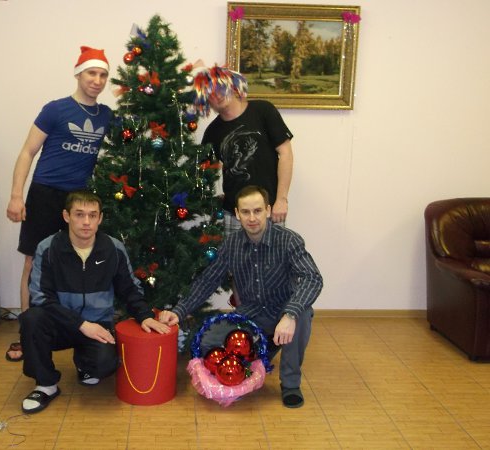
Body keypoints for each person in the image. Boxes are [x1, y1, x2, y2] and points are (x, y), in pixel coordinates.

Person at [159, 185, 322, 408]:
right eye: (245, 212)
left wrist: (290, 314)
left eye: (257, 211)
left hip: (283, 309)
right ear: (237, 214)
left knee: (302, 315)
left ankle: (290, 383)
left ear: (267, 210)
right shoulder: (232, 244)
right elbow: (208, 280)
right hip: (250, 313)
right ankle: (266, 347)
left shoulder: (289, 240)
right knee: (208, 342)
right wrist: (179, 311)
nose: (252, 218)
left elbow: (313, 278)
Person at [5, 46, 113, 362]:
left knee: (74, 264)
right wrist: (16, 195)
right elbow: (27, 152)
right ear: (78, 74)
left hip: (80, 200)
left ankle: (72, 330)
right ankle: (27, 334)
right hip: (45, 194)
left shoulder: (107, 115)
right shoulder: (55, 109)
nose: (97, 80)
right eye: (92, 73)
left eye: (103, 75)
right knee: (33, 262)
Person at [19, 190, 171, 414]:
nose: (86, 222)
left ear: (100, 218)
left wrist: (145, 316)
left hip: (98, 324)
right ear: (66, 216)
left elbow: (129, 288)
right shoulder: (48, 248)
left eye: (92, 215)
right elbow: (41, 298)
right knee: (31, 319)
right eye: (79, 214)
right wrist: (81, 324)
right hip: (60, 322)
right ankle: (46, 385)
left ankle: (85, 363)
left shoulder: (113, 248)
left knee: (104, 365)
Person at [193, 65, 294, 234]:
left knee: (274, 252)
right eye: (210, 94)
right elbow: (204, 172)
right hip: (234, 215)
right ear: (206, 101)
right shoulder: (212, 132)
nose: (217, 95)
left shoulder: (263, 111)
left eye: (220, 88)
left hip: (269, 211)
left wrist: (282, 200)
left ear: (233, 86)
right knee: (234, 253)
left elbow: (286, 153)